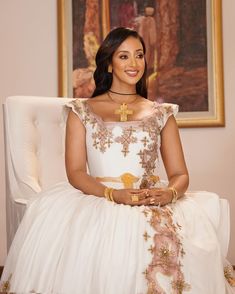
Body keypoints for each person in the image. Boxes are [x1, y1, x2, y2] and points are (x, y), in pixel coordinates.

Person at [1, 27, 235, 294]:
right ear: (109, 63)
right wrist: (113, 195)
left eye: (139, 55)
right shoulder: (82, 110)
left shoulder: (161, 113)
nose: (134, 63)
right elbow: (76, 172)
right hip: (100, 199)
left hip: (150, 199)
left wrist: (169, 193)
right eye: (123, 56)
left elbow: (180, 174)